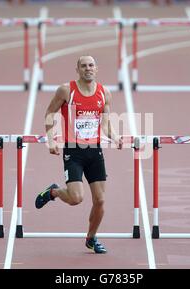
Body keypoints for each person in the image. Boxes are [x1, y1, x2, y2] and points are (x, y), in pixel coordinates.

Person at [35, 55, 123, 254]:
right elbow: (49, 112)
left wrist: (115, 137)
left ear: (96, 68)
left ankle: (91, 239)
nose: (88, 69)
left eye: (91, 65)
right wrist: (50, 139)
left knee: (100, 201)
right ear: (78, 70)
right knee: (76, 198)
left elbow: (106, 124)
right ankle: (53, 192)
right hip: (73, 152)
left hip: (94, 151)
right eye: (83, 66)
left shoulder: (104, 93)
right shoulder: (66, 90)